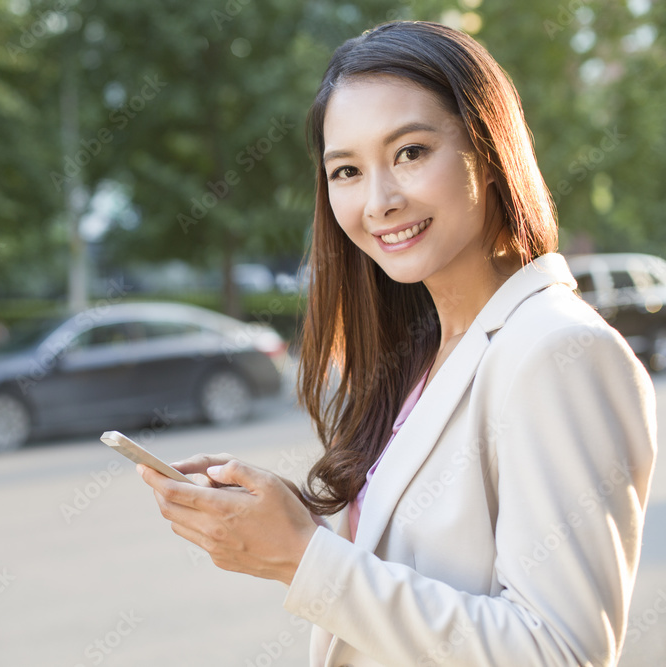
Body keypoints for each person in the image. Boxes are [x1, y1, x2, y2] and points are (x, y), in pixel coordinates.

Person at [137, 20, 657, 667]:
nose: (378, 200)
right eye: (347, 170)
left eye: (410, 152)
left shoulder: (556, 351)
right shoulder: (423, 355)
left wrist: (303, 557)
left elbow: (558, 652)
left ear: (488, 150)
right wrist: (287, 523)